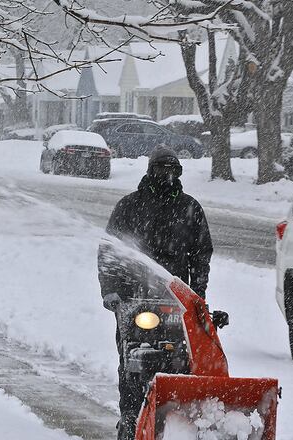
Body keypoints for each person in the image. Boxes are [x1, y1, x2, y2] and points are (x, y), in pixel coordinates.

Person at [99, 148, 213, 440]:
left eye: (172, 170)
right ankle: (131, 420)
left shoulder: (190, 208)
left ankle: (179, 420)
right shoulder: (130, 206)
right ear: (150, 171)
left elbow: (201, 255)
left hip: (177, 301)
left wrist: (197, 295)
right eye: (161, 169)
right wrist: (112, 291)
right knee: (133, 361)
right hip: (134, 299)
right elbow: (110, 249)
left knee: (182, 359)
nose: (166, 175)